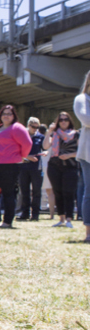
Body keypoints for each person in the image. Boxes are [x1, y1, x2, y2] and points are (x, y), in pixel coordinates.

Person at [0, 104, 32, 228]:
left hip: (8, 164)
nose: (6, 116)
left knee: (8, 192)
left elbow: (27, 143)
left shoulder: (16, 128)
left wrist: (22, 155)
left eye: (9, 113)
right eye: (4, 113)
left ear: (14, 116)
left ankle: (7, 221)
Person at [44, 111, 80, 229]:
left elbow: (81, 152)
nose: (63, 122)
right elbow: (45, 146)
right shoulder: (54, 134)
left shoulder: (76, 134)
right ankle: (61, 218)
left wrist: (69, 155)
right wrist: (49, 131)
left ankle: (69, 218)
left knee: (68, 192)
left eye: (66, 119)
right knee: (57, 191)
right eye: (61, 120)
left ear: (70, 121)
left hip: (70, 166)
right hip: (54, 165)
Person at [17, 116, 45, 221]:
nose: (35, 129)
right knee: (24, 191)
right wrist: (28, 156)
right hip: (23, 166)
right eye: (33, 126)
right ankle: (25, 213)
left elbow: (45, 148)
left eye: (37, 127)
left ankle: (35, 214)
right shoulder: (22, 136)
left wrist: (45, 152)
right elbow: (17, 150)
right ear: (28, 125)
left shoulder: (40, 137)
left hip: (36, 167)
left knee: (37, 191)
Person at [74, 75, 90, 242]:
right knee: (89, 192)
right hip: (88, 153)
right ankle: (89, 233)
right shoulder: (82, 99)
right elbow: (86, 119)